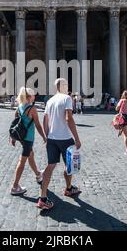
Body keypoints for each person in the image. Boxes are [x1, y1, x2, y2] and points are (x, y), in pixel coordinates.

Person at [38, 78, 82, 210]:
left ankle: (43, 198)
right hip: (65, 138)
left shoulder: (50, 100)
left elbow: (45, 120)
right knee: (69, 164)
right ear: (63, 86)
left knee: (50, 166)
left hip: (52, 138)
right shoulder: (67, 98)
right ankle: (68, 189)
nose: (67, 86)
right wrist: (77, 138)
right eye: (67, 84)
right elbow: (69, 118)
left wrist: (47, 137)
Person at [10, 87, 46, 196]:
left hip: (21, 138)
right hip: (28, 138)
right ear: (29, 97)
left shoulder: (19, 107)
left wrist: (13, 137)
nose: (35, 96)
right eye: (33, 95)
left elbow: (15, 122)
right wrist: (44, 137)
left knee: (31, 154)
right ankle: (15, 186)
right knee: (22, 161)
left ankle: (38, 174)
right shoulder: (32, 109)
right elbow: (38, 125)